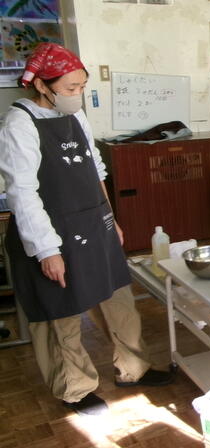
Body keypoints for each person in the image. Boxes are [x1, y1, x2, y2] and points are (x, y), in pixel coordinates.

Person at [0, 43, 172, 416]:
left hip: (94, 224)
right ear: (42, 85)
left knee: (119, 300)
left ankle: (134, 368)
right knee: (61, 313)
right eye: (70, 88)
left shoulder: (75, 115)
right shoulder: (19, 124)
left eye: (81, 86)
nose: (77, 95)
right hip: (49, 232)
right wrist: (47, 250)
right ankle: (75, 390)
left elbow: (95, 170)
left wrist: (111, 220)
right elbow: (22, 193)